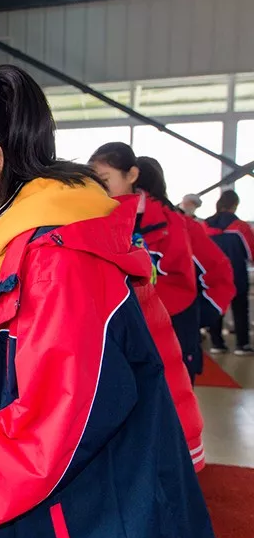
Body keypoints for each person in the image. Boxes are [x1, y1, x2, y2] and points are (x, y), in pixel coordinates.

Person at [0, 65, 217, 538]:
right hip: (65, 512)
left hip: (87, 526)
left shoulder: (59, 259)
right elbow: (33, 378)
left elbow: (54, 426)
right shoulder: (10, 241)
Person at [90, 143, 202, 378]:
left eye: (105, 179)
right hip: (117, 333)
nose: (100, 188)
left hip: (160, 328)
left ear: (132, 175)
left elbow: (183, 282)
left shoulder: (167, 223)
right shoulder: (95, 218)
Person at [136, 156, 236, 378]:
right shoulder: (114, 226)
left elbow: (219, 272)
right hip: (131, 343)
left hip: (174, 341)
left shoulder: (183, 228)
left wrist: (197, 317)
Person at [205, 189, 254, 355]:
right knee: (240, 309)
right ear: (235, 205)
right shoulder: (241, 226)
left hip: (212, 274)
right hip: (236, 272)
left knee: (216, 307)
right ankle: (242, 345)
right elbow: (251, 253)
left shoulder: (205, 225)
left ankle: (216, 343)